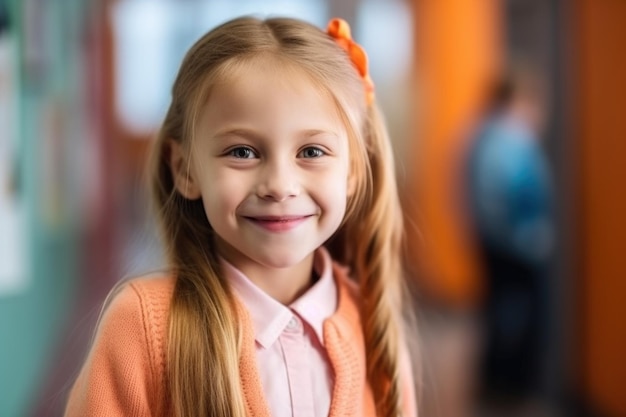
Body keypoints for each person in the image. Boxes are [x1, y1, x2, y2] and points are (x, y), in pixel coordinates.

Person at [65, 16, 418, 417]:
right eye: (242, 152)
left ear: (353, 170)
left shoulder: (374, 327)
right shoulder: (143, 329)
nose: (280, 185)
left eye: (312, 152)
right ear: (185, 169)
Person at [465, 71, 554, 406]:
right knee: (513, 315)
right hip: (518, 244)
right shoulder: (510, 138)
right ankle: (509, 388)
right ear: (517, 100)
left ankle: (497, 383)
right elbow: (517, 193)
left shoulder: (480, 134)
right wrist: (530, 237)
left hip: (494, 240)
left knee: (500, 310)